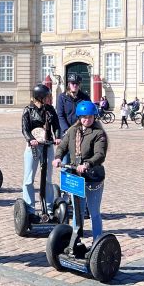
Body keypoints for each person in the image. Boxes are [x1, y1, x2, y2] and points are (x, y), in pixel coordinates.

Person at [52, 101, 108, 239]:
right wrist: (58, 157)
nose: (86, 119)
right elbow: (62, 146)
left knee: (94, 212)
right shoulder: (72, 131)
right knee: (78, 211)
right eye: (83, 116)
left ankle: (97, 240)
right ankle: (76, 240)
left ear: (94, 117)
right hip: (76, 177)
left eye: (89, 117)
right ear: (79, 117)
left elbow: (99, 155)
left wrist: (87, 164)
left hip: (93, 178)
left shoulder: (98, 133)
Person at [21, 84, 61, 219]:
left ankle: (49, 208)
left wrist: (58, 137)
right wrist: (30, 139)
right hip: (32, 147)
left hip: (47, 146)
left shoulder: (50, 110)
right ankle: (30, 209)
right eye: (47, 96)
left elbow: (56, 126)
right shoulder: (28, 110)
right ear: (40, 97)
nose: (49, 99)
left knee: (48, 179)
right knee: (28, 179)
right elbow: (24, 129)